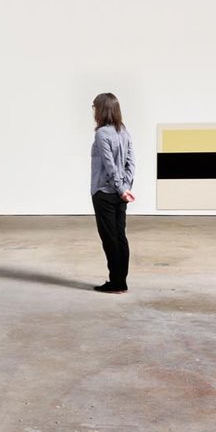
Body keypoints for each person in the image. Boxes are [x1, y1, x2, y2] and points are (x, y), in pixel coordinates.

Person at [90, 93, 135, 294]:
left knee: (110, 239)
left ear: (101, 110)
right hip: (120, 193)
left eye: (95, 107)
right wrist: (125, 188)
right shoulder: (123, 131)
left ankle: (115, 283)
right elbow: (131, 163)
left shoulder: (102, 134)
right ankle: (121, 282)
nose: (94, 111)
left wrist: (120, 188)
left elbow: (109, 166)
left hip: (104, 192)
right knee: (120, 236)